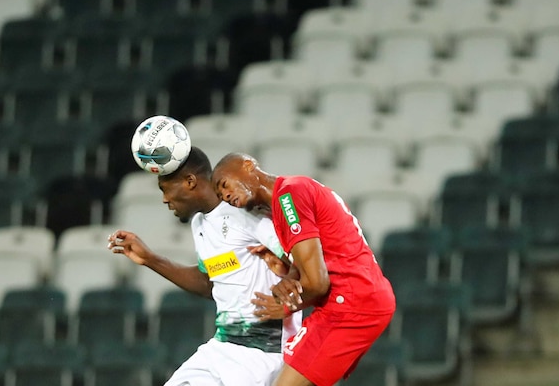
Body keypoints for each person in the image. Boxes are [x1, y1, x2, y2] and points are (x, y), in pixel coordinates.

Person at [108, 146, 302, 386]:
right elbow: (209, 283)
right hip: (221, 347)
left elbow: (304, 260)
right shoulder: (200, 223)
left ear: (190, 181)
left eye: (165, 189)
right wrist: (150, 259)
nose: (164, 199)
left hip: (264, 351)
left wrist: (289, 284)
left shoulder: (247, 211)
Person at [211, 152, 396, 386]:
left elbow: (318, 283)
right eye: (220, 195)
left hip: (349, 302)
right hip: (360, 297)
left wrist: (285, 306)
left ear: (248, 165)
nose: (225, 195)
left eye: (225, 185)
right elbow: (315, 260)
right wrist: (289, 272)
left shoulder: (289, 195)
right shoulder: (288, 199)